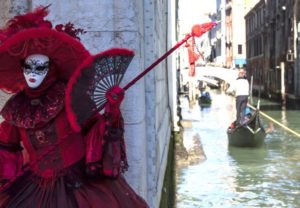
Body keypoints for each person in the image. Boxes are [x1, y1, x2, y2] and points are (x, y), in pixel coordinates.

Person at [0, 7, 148, 208]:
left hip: (78, 187)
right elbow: (7, 153)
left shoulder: (68, 98)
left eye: (40, 66)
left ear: (51, 67)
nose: (32, 73)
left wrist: (112, 112)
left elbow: (95, 137)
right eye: (28, 66)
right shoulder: (17, 110)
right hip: (33, 188)